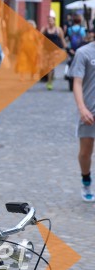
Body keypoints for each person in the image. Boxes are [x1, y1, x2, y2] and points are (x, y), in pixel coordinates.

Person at [69, 36, 95, 202]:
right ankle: (86, 181)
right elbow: (77, 82)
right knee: (86, 153)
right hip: (90, 113)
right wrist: (82, 108)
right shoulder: (83, 53)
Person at [41, 12, 65, 90]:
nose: (50, 22)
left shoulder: (58, 30)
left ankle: (49, 82)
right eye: (49, 21)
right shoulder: (45, 29)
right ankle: (50, 78)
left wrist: (66, 49)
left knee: (51, 66)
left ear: (54, 21)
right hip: (46, 50)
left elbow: (62, 40)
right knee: (47, 65)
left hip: (55, 50)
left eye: (51, 20)